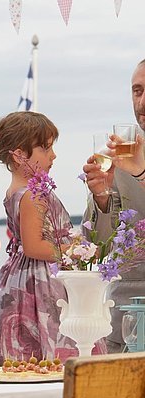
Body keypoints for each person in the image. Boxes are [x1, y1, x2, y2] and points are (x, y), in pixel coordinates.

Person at [0, 112, 106, 362]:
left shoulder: (18, 191)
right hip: (39, 283)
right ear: (19, 155)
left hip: (22, 278)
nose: (53, 155)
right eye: (45, 147)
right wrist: (74, 252)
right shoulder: (32, 195)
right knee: (53, 344)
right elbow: (33, 246)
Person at [82, 59, 145, 353]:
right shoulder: (120, 156)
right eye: (137, 90)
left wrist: (141, 174)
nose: (141, 101)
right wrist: (102, 197)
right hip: (127, 314)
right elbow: (101, 246)